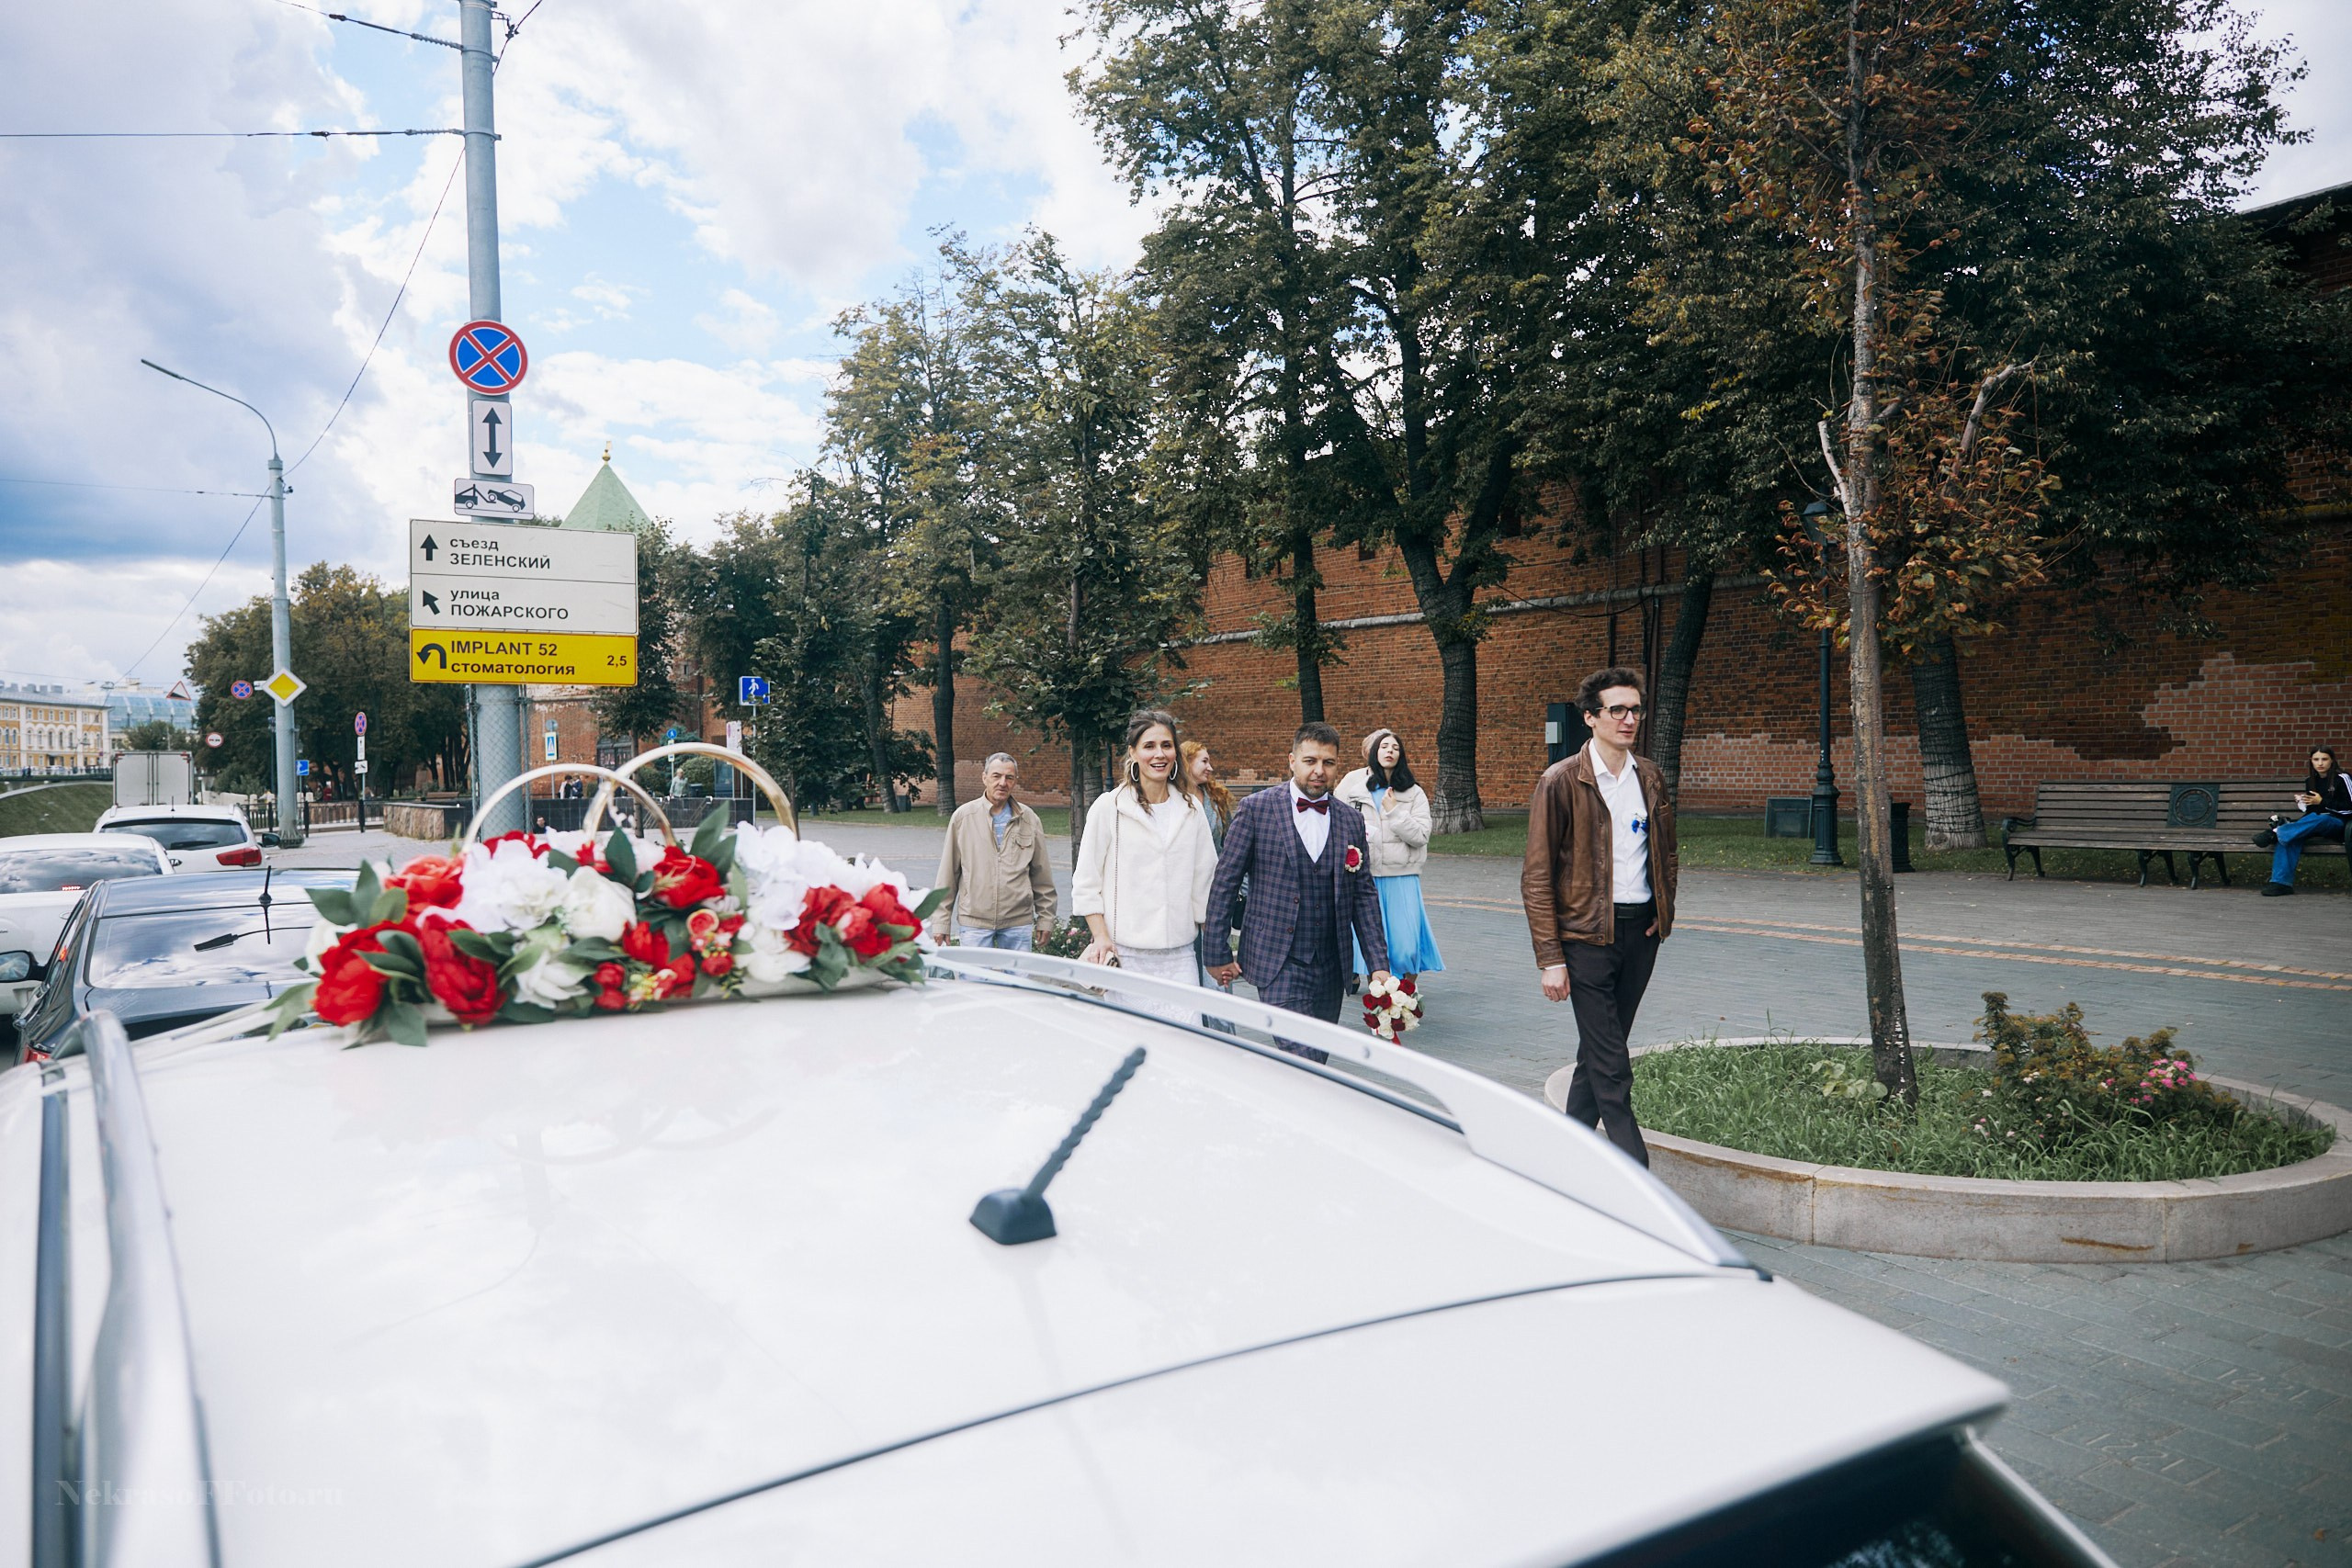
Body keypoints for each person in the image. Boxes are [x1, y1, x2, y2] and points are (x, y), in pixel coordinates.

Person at [1520, 667, 1678, 1167]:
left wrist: (1662, 909)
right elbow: (1537, 876)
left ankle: (1562, 1162)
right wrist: (1551, 958)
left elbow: (1666, 852)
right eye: (1617, 710)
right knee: (1612, 1064)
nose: (1629, 719)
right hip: (1585, 938)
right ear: (1590, 718)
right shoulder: (1561, 781)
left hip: (1640, 933)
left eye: (1636, 710)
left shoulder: (1649, 775)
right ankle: (1638, 1177)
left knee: (1597, 1053)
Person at [1204, 722, 1391, 1061]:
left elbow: (1364, 895)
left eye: (1329, 763)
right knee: (1301, 1056)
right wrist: (1216, 951)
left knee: (1317, 1059)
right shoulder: (1257, 809)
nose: (1319, 771)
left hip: (1332, 964)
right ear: (1291, 761)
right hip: (1278, 960)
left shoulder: (1350, 820)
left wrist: (1378, 963)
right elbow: (1225, 881)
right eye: (1310, 761)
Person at [1072, 710, 1217, 1019]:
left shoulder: (1191, 811)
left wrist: (1217, 947)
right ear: (1133, 752)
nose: (1159, 754)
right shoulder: (1109, 807)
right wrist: (1100, 937)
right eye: (1149, 746)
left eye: (1166, 745)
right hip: (1124, 956)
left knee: (1182, 1047)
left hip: (1180, 959)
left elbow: (1205, 882)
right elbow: (1086, 881)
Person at [1337, 728, 1442, 994]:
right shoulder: (1355, 787)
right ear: (1373, 753)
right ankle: (1382, 1002)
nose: (1389, 751)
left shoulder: (1413, 793)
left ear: (1401, 755)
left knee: (1406, 946)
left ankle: (1404, 995)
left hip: (1402, 877)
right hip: (1367, 876)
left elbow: (1420, 835)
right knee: (1372, 943)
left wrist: (1395, 811)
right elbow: (1337, 825)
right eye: (1384, 746)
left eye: (1395, 747)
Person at [932, 752, 1058, 948]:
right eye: (996, 776)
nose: (1002, 783)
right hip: (975, 922)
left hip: (1018, 922)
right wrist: (941, 922)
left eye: (1009, 777)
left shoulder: (1029, 819)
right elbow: (947, 874)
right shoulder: (963, 817)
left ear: (1015, 781)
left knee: (1017, 980)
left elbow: (1042, 876)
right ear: (984, 778)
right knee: (974, 979)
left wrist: (1045, 918)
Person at [1182, 739, 1241, 1032]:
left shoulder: (1215, 799)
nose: (1210, 767)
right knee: (1189, 966)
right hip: (1183, 899)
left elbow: (1229, 847)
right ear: (1186, 763)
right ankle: (1196, 1029)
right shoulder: (1173, 800)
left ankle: (1222, 1033)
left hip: (1216, 896)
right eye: (1203, 761)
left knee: (1217, 964)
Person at [2254, 746, 2351, 895]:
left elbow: (2349, 808)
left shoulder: (2343, 778)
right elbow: (2313, 812)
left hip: (2339, 824)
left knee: (2320, 820)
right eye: (2316, 759)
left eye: (2324, 759)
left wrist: (2322, 802)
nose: (2320, 763)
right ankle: (2281, 883)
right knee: (2290, 837)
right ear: (2311, 761)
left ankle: (2276, 832)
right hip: (2315, 822)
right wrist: (2304, 804)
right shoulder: (2310, 781)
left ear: (2332, 761)